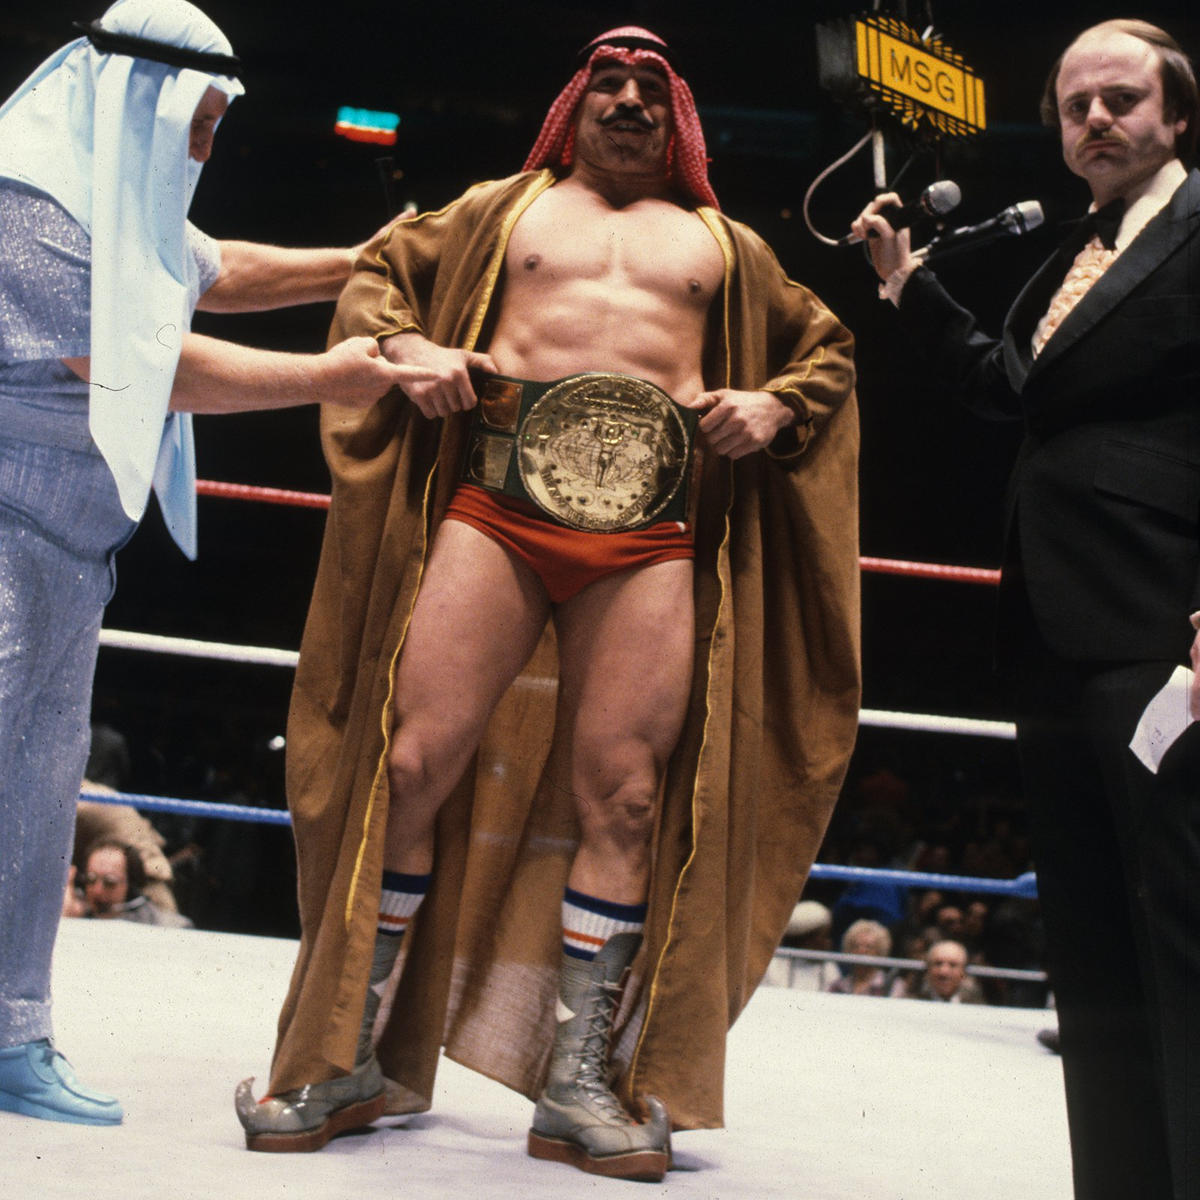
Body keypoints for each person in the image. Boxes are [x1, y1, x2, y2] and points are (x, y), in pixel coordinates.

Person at [235, 25, 860, 1182]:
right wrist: (409, 346)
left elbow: (824, 351)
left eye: (649, 87)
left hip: (652, 526)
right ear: (573, 105)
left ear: (678, 117)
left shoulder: (726, 247)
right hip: (495, 502)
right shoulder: (500, 211)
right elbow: (379, 277)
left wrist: (776, 406)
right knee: (413, 764)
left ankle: (578, 1085)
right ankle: (347, 1053)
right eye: (606, 83)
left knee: (626, 794)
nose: (627, 100)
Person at [0, 0, 432, 1130]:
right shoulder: (23, 201)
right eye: (197, 122)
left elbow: (217, 268)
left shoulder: (109, 198)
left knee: (34, 800)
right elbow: (138, 364)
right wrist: (332, 377)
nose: (205, 145)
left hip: (66, 549)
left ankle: (8, 1033)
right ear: (138, 101)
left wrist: (362, 260)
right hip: (3, 531)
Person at [851, 19, 1199, 1199]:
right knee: (1094, 949)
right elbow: (1007, 387)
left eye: (1121, 98)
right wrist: (907, 283)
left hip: (1164, 626)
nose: (1094, 118)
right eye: (1074, 104)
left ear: (1178, 115)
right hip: (1054, 629)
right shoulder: (1075, 253)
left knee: (1184, 933)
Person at [65, 838, 193, 927]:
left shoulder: (171, 927)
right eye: (90, 880)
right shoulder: (75, 914)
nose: (97, 890)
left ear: (131, 885)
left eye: (110, 883)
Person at [761, 900, 842, 990]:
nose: (828, 942)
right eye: (824, 936)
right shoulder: (772, 967)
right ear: (807, 940)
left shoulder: (829, 969)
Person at [826, 919, 893, 997]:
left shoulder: (891, 985)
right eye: (856, 946)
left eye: (868, 947)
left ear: (879, 951)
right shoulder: (838, 986)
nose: (861, 950)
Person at [904, 939, 983, 1004]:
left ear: (963, 972)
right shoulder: (911, 1004)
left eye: (952, 965)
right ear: (928, 970)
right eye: (938, 964)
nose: (944, 972)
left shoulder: (977, 1007)